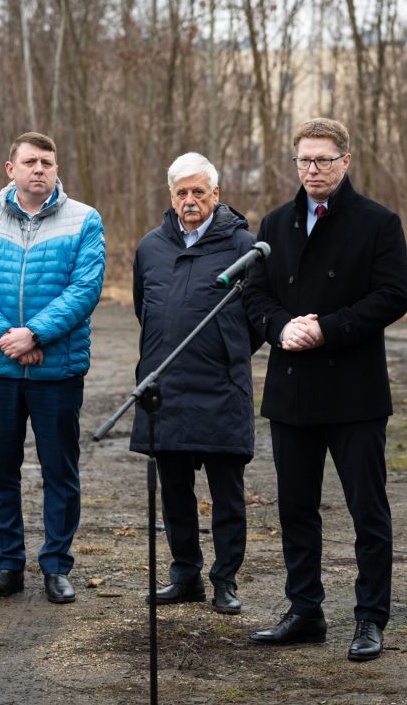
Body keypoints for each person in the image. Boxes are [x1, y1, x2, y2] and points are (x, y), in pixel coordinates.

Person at [243, 117, 407, 662]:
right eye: (303, 160)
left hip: (354, 392)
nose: (312, 170)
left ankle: (370, 618)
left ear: (346, 161)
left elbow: (392, 297)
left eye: (322, 160)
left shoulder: (377, 223)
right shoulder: (273, 223)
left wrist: (327, 328)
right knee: (296, 507)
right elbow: (255, 295)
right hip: (292, 388)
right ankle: (304, 610)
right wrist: (279, 326)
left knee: (368, 511)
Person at [0, 131, 105, 603]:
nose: (39, 169)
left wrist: (35, 335)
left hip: (56, 370)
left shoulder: (84, 219)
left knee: (60, 470)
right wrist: (10, 339)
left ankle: (56, 566)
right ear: (10, 169)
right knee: (0, 470)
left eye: (47, 162)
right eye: (30, 162)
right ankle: (7, 565)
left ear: (57, 170)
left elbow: (85, 289)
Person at [131, 152, 259, 615]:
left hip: (222, 389)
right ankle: (185, 576)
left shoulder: (244, 245)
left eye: (198, 192)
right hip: (165, 389)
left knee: (227, 495)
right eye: (182, 192)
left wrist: (225, 350)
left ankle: (225, 579)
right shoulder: (150, 247)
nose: (190, 200)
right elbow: (143, 308)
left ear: (216, 195)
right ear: (171, 196)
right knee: (175, 492)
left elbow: (257, 321)